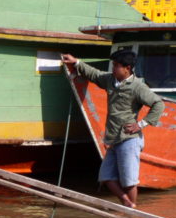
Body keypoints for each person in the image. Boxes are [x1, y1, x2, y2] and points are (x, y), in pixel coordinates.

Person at [61, 49, 163, 208]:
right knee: (106, 177)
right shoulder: (110, 80)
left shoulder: (137, 86)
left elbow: (158, 104)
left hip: (129, 139)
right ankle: (127, 204)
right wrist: (76, 62)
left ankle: (131, 210)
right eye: (113, 65)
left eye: (116, 66)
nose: (113, 69)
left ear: (127, 68)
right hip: (114, 138)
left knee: (129, 182)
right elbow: (94, 74)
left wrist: (141, 124)